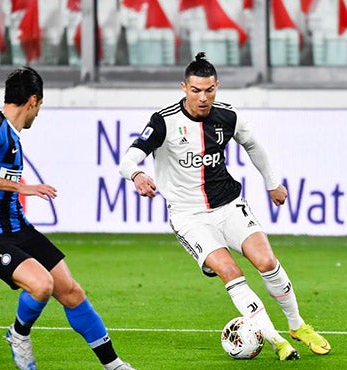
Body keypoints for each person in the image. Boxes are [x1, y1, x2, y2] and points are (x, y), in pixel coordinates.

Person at [119, 52, 331, 361]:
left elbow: (253, 144)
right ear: (184, 87)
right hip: (189, 217)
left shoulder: (227, 116)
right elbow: (127, 160)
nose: (203, 98)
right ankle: (275, 341)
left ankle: (297, 326)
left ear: (216, 86)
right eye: (195, 90)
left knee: (267, 261)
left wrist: (272, 183)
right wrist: (137, 174)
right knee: (230, 271)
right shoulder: (164, 121)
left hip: (229, 205)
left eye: (209, 90)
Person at [0, 66, 134, 370]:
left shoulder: (9, 135)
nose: (38, 114)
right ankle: (18, 335)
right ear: (33, 101)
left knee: (70, 290)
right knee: (42, 285)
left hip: (16, 227)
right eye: (40, 107)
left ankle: (114, 365)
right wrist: (19, 189)